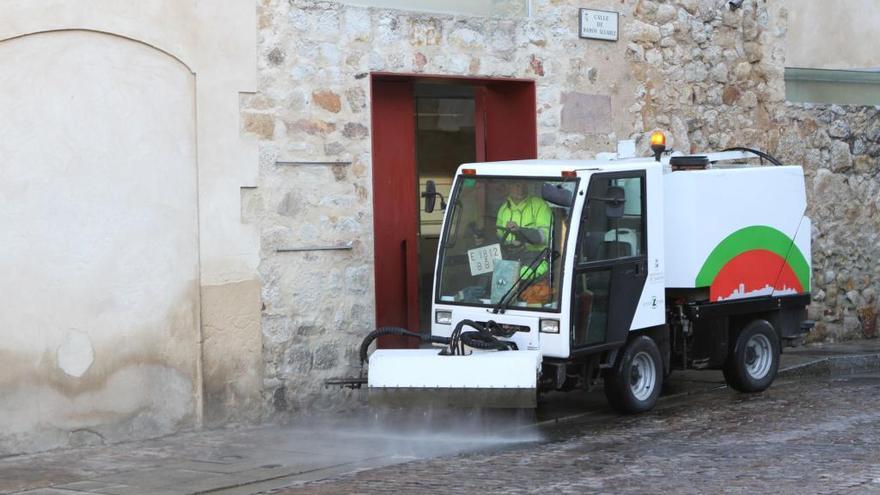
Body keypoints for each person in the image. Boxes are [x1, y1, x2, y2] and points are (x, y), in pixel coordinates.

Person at [496, 182, 552, 279]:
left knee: (519, 277)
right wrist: (510, 243)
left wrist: (521, 232)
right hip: (510, 257)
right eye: (516, 185)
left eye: (523, 184)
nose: (520, 188)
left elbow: (547, 237)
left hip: (537, 257)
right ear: (508, 186)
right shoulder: (503, 209)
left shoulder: (539, 205)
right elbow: (499, 237)